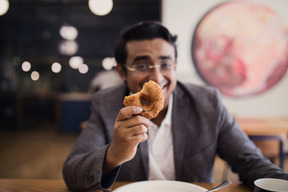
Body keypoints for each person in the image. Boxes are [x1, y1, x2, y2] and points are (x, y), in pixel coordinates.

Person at [63, 21, 288, 191]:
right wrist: (113, 155)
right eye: (142, 64)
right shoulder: (107, 104)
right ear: (122, 71)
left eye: (165, 63)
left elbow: (250, 161)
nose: (156, 75)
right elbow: (71, 172)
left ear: (175, 65)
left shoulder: (207, 103)